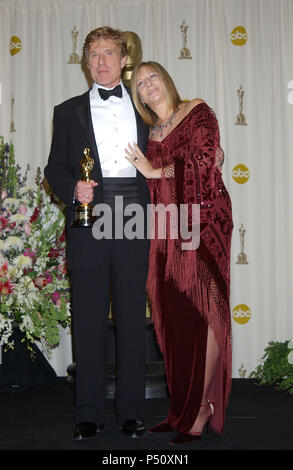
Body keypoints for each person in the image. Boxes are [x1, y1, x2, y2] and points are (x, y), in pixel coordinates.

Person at [44, 27, 150, 440]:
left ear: (124, 60)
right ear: (85, 62)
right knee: (87, 317)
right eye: (93, 54)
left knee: (130, 317)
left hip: (135, 213)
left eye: (108, 53)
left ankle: (132, 412)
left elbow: (172, 148)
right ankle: (87, 412)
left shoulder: (144, 107)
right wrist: (73, 188)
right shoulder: (66, 110)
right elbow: (54, 168)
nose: (101, 61)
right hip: (87, 216)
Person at [125, 61, 233, 444]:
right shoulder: (146, 134)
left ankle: (202, 407)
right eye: (140, 83)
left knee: (206, 313)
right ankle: (181, 409)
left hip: (204, 226)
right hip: (166, 233)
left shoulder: (197, 110)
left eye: (152, 76)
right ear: (138, 96)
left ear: (166, 80)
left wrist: (158, 172)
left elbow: (206, 160)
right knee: (172, 321)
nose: (147, 84)